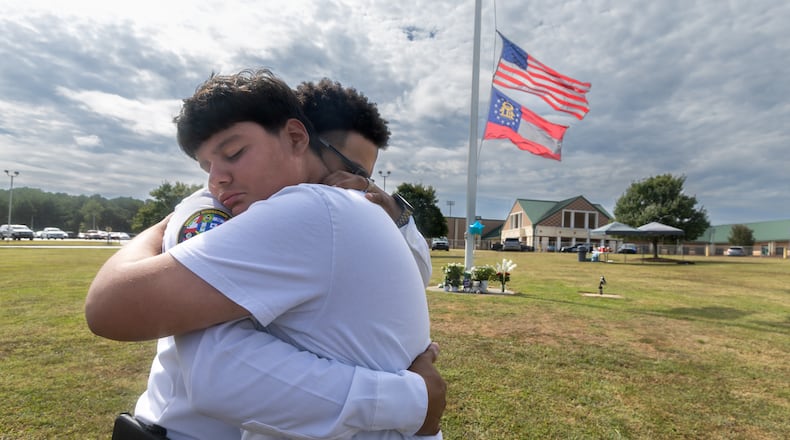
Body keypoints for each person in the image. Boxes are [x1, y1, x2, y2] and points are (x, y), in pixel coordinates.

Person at [86, 69, 444, 439]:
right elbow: (118, 309)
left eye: (234, 154)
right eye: (352, 169)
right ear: (301, 138)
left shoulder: (325, 210)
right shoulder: (239, 210)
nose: (358, 186)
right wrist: (412, 400)